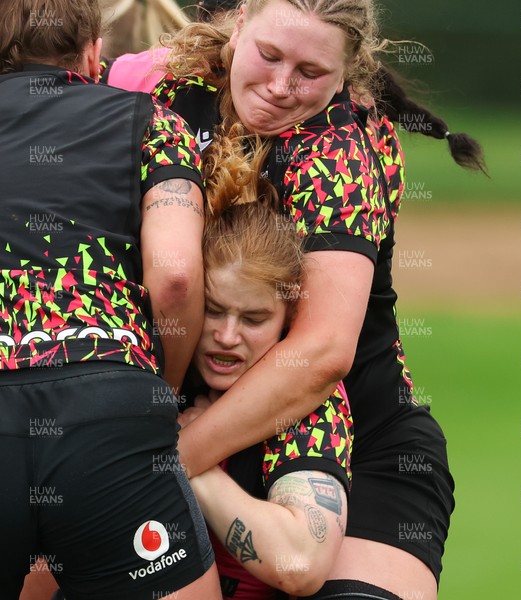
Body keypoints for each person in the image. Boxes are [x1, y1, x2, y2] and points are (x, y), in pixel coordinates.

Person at [99, 1, 486, 598]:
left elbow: (323, 351)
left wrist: (165, 456)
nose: (281, 87)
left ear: (348, 69)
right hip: (177, 424)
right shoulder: (157, 86)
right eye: (269, 55)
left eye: (310, 73)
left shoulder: (343, 148)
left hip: (352, 442)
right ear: (242, 19)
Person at [0, 1, 221, 599]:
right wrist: (161, 389)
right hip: (106, 412)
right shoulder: (150, 120)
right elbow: (174, 276)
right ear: (94, 51)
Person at [183, 130, 352, 598]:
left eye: (254, 318)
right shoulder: (158, 372)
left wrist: (196, 466)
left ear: (289, 318)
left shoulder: (307, 400)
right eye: (213, 309)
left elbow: (300, 562)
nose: (227, 335)